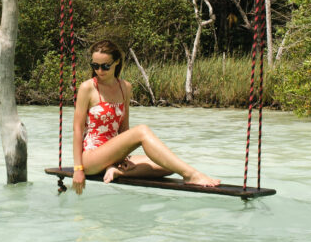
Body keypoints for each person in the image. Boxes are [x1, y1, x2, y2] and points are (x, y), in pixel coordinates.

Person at [71, 39, 221, 194]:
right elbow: (77, 130)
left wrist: (123, 159)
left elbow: (124, 128)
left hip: (114, 155)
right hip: (91, 157)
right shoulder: (87, 88)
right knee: (142, 130)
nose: (99, 71)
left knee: (167, 165)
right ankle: (191, 175)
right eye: (95, 66)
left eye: (105, 66)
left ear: (116, 62)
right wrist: (78, 169)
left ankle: (118, 171)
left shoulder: (125, 87)